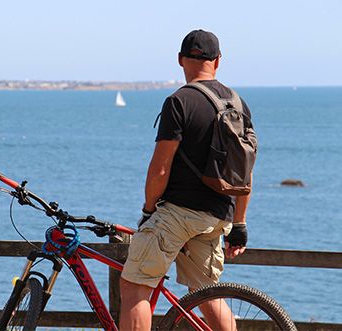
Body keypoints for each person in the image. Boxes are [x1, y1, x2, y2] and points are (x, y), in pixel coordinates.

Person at [119, 29, 253, 331]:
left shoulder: (179, 101)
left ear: (180, 60)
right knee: (207, 294)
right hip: (217, 216)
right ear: (217, 61)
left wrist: (149, 210)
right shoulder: (237, 104)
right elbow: (245, 172)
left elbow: (160, 169)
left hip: (178, 214)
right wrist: (240, 223)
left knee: (134, 288)